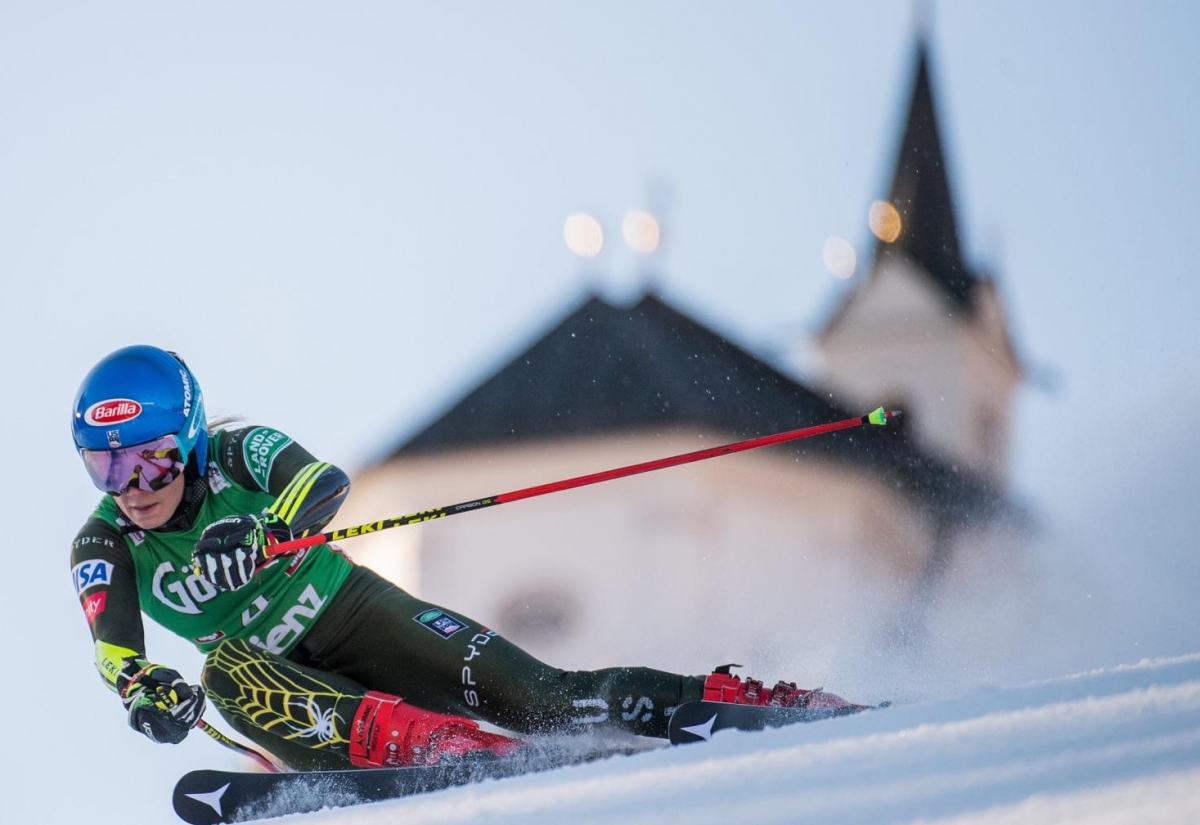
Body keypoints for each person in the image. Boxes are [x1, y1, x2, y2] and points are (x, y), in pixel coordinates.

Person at [70, 344, 859, 771]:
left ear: (194, 437)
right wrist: (147, 690)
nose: (133, 484)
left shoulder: (238, 452)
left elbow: (321, 481)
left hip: (354, 614)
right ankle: (429, 746)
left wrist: (267, 528)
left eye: (152, 458)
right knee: (223, 670)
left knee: (549, 696)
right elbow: (115, 653)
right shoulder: (102, 543)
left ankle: (740, 701)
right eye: (105, 466)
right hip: (284, 683)